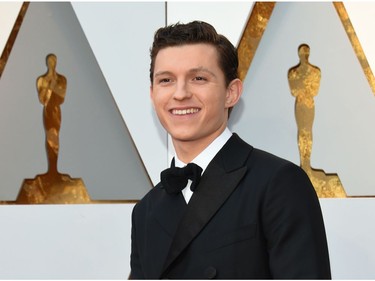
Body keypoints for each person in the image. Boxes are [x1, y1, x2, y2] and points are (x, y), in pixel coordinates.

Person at [130, 21, 331, 279]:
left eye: (198, 78)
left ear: (231, 93)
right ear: (152, 93)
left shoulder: (278, 183)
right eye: (166, 80)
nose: (180, 94)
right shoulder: (146, 212)